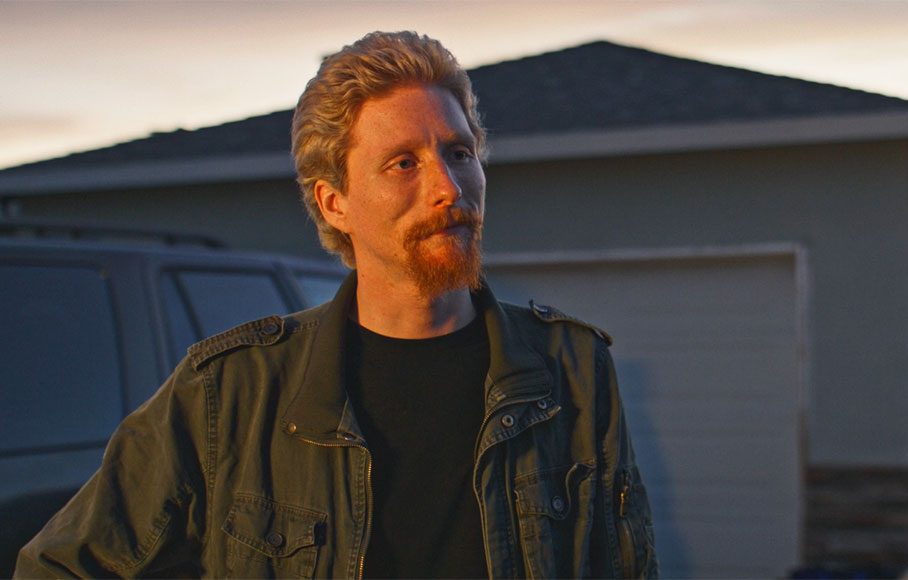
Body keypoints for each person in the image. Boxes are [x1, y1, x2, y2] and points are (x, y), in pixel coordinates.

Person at [16, 31, 657, 579]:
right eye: (403, 163)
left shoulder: (571, 370)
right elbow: (59, 566)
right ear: (334, 203)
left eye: (460, 153)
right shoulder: (228, 394)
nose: (448, 186)